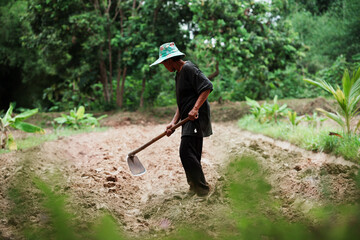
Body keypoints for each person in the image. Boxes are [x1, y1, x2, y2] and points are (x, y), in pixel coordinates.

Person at [150, 42, 213, 196]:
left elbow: (207, 86)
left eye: (164, 62)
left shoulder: (188, 68)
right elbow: (182, 102)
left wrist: (195, 109)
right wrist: (173, 122)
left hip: (196, 117)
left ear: (170, 60)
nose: (164, 66)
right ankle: (194, 187)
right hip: (188, 117)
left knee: (186, 151)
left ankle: (202, 190)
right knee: (192, 152)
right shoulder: (178, 74)